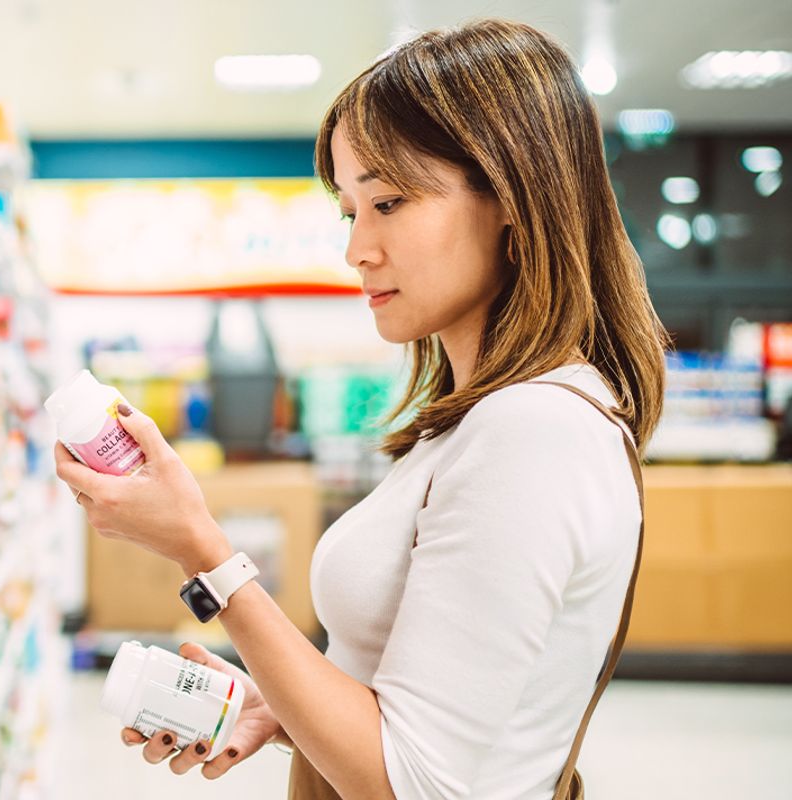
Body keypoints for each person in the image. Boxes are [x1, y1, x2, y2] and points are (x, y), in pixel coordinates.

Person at [55, 18, 669, 800]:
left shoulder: (534, 430)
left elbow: (410, 784)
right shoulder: (482, 420)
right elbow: (423, 715)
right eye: (350, 211)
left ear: (513, 197)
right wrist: (285, 704)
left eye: (388, 201)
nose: (356, 249)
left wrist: (203, 552)